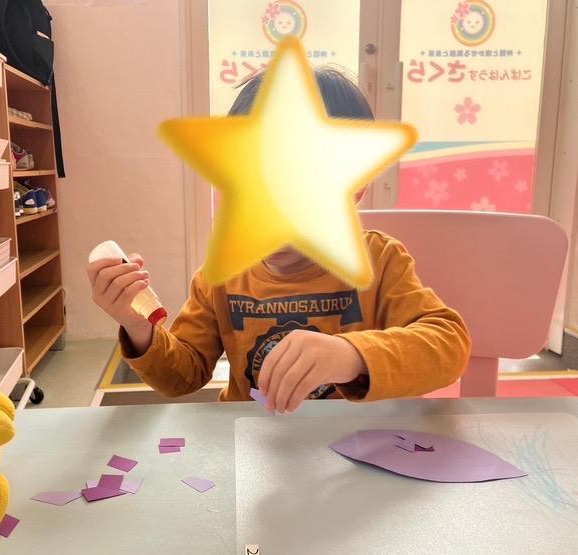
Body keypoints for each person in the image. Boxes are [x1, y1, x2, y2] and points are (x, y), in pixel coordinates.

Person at [87, 67, 471, 414]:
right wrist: (138, 326)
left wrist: (351, 354)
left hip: (358, 445)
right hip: (254, 443)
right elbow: (181, 377)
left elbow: (449, 346)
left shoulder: (380, 261)